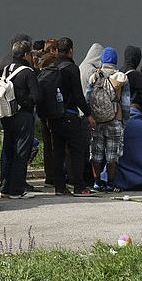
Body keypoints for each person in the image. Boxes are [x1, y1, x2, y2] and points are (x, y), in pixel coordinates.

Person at [42, 37, 95, 197]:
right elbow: (78, 96)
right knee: (76, 151)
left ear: (56, 50)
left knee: (57, 151)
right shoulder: (72, 68)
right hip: (70, 116)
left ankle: (60, 187)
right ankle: (79, 187)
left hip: (53, 116)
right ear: (71, 50)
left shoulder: (51, 67)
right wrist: (88, 114)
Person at [0, 38, 40, 199]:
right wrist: (26, 102)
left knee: (7, 150)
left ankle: (5, 186)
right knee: (21, 151)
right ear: (26, 54)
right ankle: (17, 189)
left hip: (7, 114)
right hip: (23, 116)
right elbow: (36, 96)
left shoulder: (5, 69)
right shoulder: (27, 72)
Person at [87, 47, 131, 192]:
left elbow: (88, 98)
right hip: (115, 119)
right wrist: (125, 120)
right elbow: (125, 103)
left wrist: (90, 116)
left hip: (97, 119)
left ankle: (96, 183)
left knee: (96, 152)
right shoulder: (121, 77)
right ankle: (111, 183)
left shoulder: (94, 76)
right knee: (112, 154)